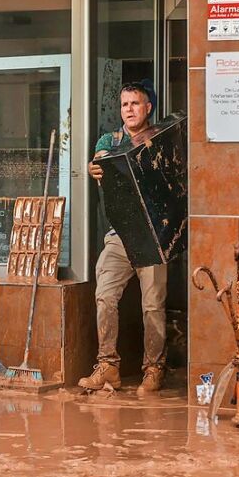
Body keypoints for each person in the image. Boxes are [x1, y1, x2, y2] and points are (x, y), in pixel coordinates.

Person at [79, 81, 167, 396]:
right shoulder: (110, 139)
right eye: (124, 104)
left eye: (135, 103)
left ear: (148, 108)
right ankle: (108, 367)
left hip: (155, 236)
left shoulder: (161, 140)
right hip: (120, 236)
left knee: (153, 305)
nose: (128, 110)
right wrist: (96, 166)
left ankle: (153, 369)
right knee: (104, 296)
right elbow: (102, 159)